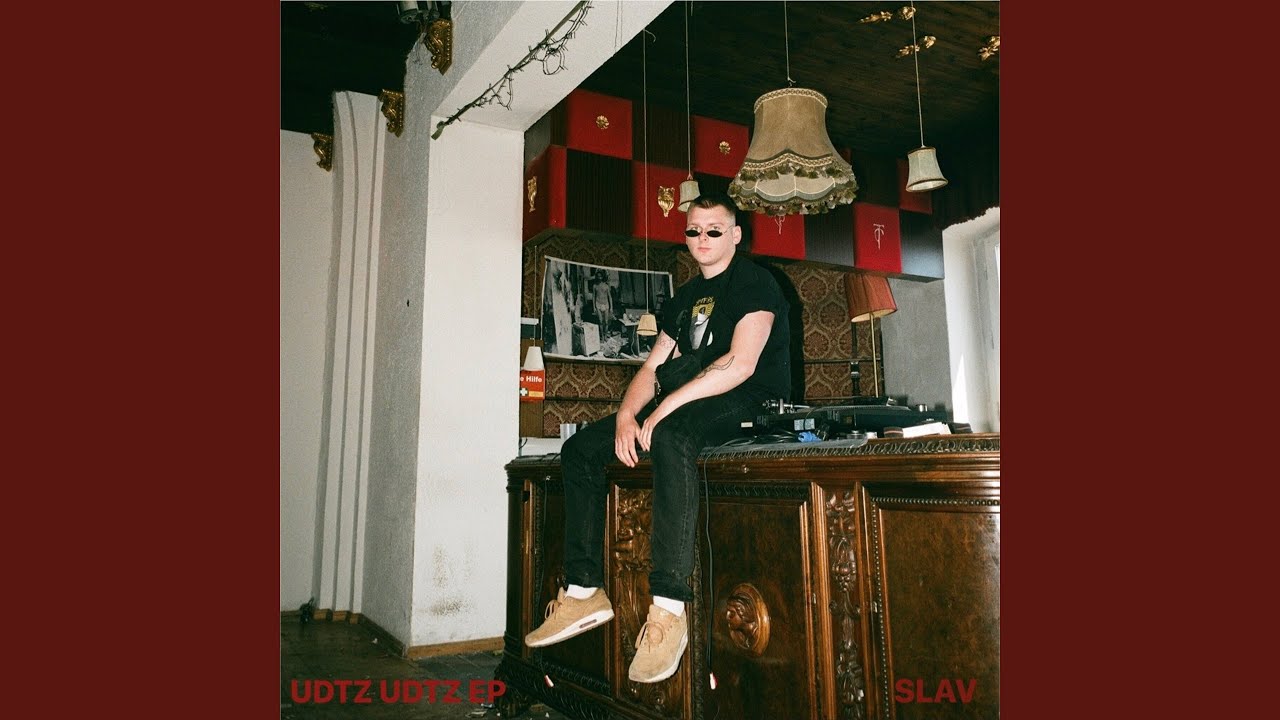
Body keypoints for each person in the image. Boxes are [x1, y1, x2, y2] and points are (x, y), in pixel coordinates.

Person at [524, 192, 792, 683]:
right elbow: (652, 367)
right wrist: (628, 414)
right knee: (579, 449)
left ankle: (668, 610)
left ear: (735, 235)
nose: (702, 238)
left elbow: (740, 364)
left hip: (752, 397)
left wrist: (663, 409)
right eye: (693, 230)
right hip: (690, 397)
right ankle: (583, 593)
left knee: (670, 436)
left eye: (714, 230)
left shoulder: (756, 282)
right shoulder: (686, 298)